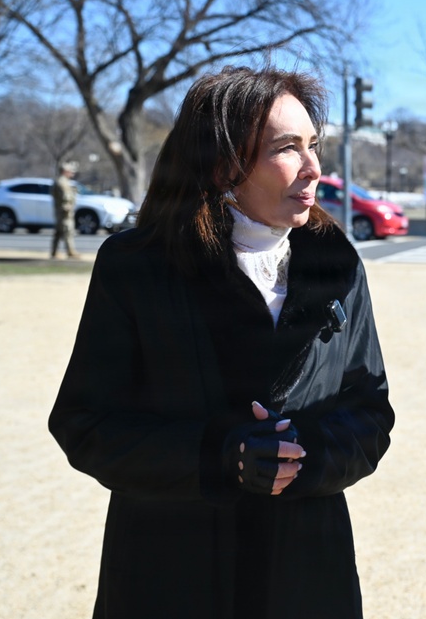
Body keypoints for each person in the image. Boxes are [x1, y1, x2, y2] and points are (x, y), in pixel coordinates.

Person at [49, 66, 395, 619]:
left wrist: (309, 454)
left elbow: (370, 412)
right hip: (171, 570)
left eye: (314, 146)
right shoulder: (137, 266)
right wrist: (218, 455)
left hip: (307, 571)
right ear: (224, 162)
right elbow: (85, 425)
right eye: (287, 149)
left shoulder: (337, 262)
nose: (314, 169)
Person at [51, 160, 80, 259]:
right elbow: (66, 197)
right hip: (65, 211)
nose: (72, 173)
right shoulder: (62, 182)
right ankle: (70, 251)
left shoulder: (61, 181)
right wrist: (68, 205)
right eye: (70, 171)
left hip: (61, 211)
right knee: (68, 230)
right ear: (65, 171)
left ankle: (54, 252)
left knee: (59, 232)